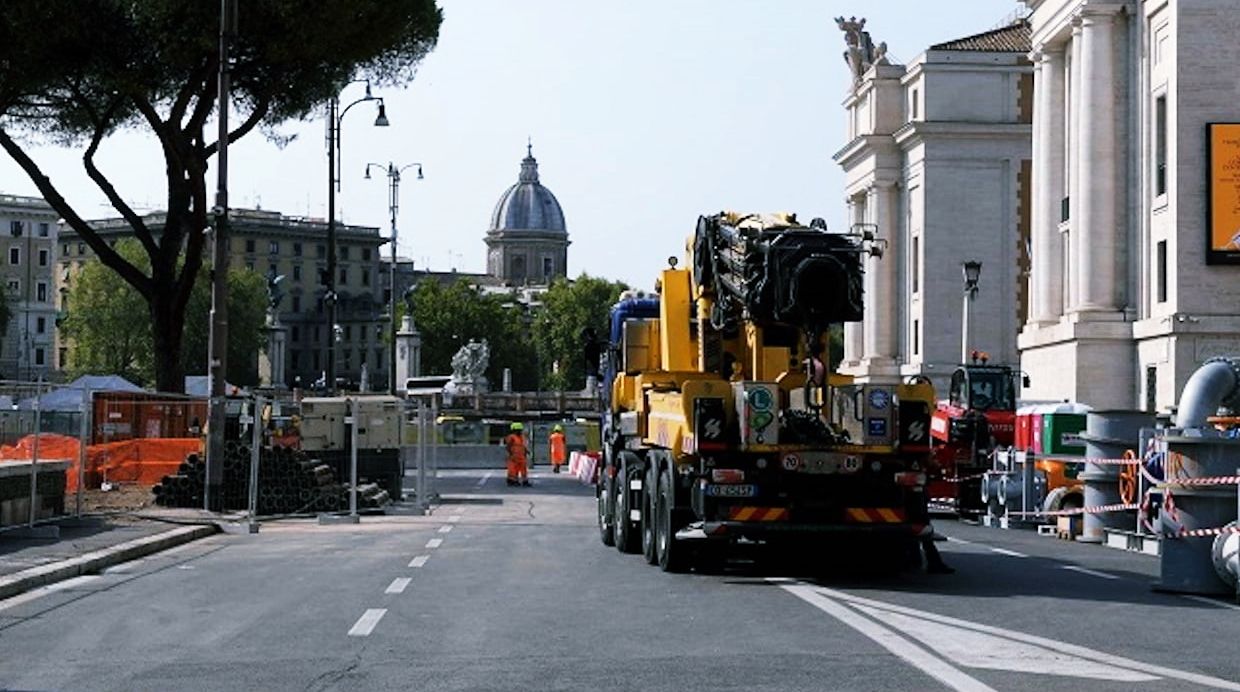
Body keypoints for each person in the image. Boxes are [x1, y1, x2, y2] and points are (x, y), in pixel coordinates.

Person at [504, 422, 530, 487]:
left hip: (521, 456)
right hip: (513, 457)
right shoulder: (511, 437)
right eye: (518, 430)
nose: (519, 431)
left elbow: (523, 445)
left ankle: (525, 481)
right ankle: (512, 481)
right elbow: (508, 446)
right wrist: (510, 453)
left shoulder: (522, 437)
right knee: (513, 469)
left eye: (520, 430)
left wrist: (526, 451)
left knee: (523, 469)